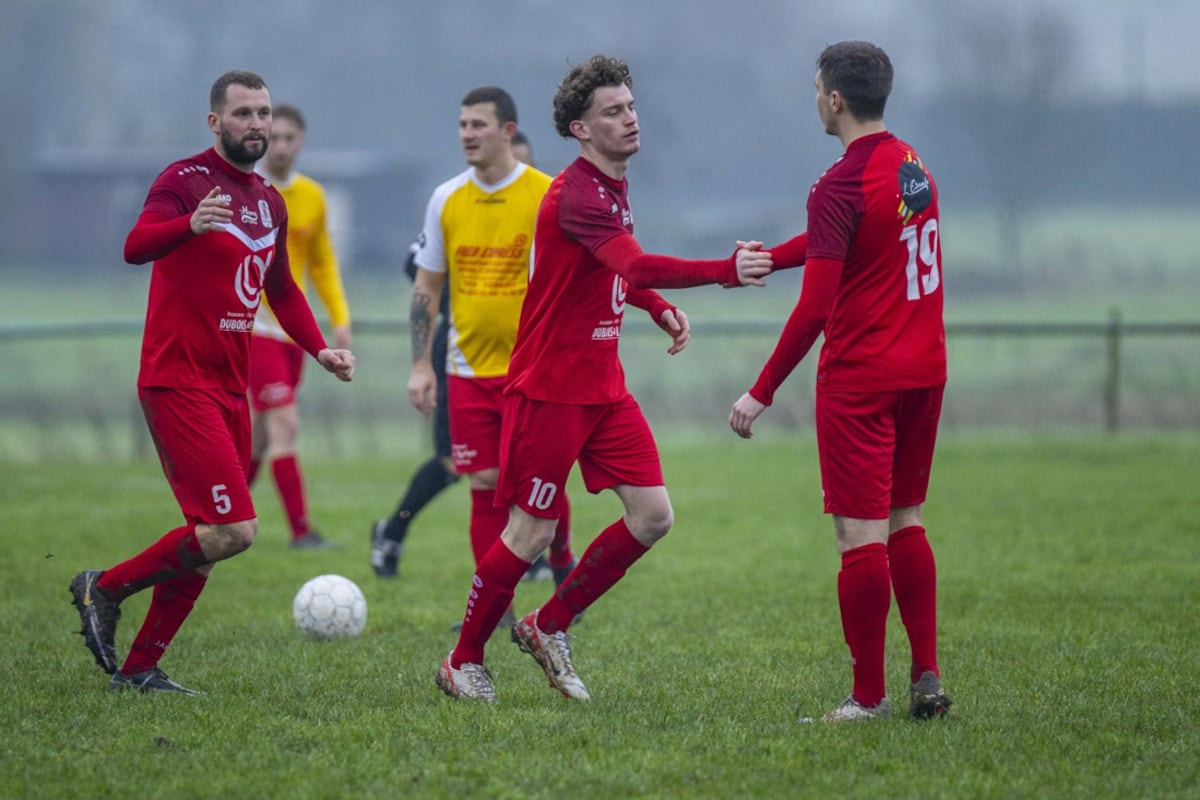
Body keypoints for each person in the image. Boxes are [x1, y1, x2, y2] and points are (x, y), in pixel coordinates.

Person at [435, 55, 773, 703]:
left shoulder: (612, 186)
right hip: (551, 387)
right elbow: (636, 263)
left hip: (602, 386)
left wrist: (655, 308)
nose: (629, 118)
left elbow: (614, 271)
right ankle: (463, 659)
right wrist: (724, 271)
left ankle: (547, 625)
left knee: (653, 515)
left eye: (630, 106)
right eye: (612, 112)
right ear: (581, 130)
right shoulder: (578, 194)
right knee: (530, 533)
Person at [68, 70, 356, 695]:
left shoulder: (269, 201)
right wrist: (188, 225)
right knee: (233, 530)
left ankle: (140, 668)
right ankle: (104, 587)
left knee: (209, 537)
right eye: (245, 113)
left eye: (264, 114)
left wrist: (320, 349)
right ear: (215, 122)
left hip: (231, 384)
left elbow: (279, 288)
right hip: (177, 379)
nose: (257, 125)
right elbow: (135, 246)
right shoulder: (183, 180)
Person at [729, 41, 952, 722]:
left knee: (860, 539)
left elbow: (817, 309)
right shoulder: (913, 166)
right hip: (925, 370)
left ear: (834, 99)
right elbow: (853, 238)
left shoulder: (837, 183)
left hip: (861, 379)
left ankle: (867, 698)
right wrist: (775, 256)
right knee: (905, 521)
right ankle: (927, 674)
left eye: (816, 87)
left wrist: (758, 392)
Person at [385, 88, 576, 627]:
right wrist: (421, 365)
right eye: (462, 124)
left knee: (539, 485)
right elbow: (426, 287)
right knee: (485, 483)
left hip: (535, 370)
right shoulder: (446, 198)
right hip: (466, 370)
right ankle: (498, 608)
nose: (467, 133)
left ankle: (562, 560)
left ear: (508, 131)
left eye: (479, 125)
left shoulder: (548, 194)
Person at [249, 103, 353, 549]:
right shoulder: (248, 191)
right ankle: (301, 532)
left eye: (290, 138)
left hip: (297, 332)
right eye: (275, 138)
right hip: (255, 329)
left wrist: (340, 319)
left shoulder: (312, 196)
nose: (282, 146)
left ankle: (220, 519)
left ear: (301, 141)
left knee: (257, 438)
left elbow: (322, 263)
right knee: (285, 424)